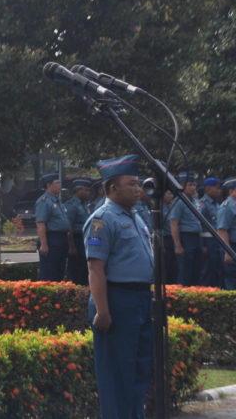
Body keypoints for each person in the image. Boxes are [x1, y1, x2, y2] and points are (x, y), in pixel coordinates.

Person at [84, 155, 153, 419]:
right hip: (117, 299)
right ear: (113, 188)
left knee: (138, 371)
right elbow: (95, 268)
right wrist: (103, 310)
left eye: (138, 184)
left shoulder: (135, 216)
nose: (138, 190)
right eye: (132, 184)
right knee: (117, 375)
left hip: (139, 299)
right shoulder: (102, 220)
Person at [170, 171, 204, 286]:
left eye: (194, 185)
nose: (193, 187)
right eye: (190, 185)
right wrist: (178, 245)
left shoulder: (195, 201)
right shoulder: (179, 202)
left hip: (196, 237)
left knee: (197, 270)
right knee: (185, 271)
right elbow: (174, 223)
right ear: (181, 185)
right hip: (186, 237)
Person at [35, 171, 70, 281]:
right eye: (57, 183)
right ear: (49, 185)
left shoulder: (57, 200)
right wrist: (44, 244)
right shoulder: (44, 201)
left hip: (61, 239)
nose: (60, 186)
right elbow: (41, 224)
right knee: (49, 273)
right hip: (51, 239)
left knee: (59, 272)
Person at [65, 176, 91, 285]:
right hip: (77, 240)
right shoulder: (72, 205)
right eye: (86, 190)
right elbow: (68, 227)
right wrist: (71, 246)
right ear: (78, 190)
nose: (88, 193)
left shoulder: (84, 204)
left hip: (85, 239)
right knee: (76, 270)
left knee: (85, 269)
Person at [199, 177, 223, 287]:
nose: (219, 191)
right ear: (208, 189)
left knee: (217, 272)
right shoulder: (202, 205)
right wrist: (202, 245)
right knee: (208, 273)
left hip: (217, 242)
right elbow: (199, 226)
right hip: (208, 243)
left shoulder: (217, 205)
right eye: (217, 188)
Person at [217, 177, 236, 290]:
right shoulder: (227, 206)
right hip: (231, 246)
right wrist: (227, 252)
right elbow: (222, 230)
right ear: (231, 191)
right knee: (231, 278)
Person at [162, 190, 178, 284]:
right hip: (165, 238)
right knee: (166, 266)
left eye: (171, 193)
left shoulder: (173, 206)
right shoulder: (159, 207)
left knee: (174, 266)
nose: (170, 196)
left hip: (173, 238)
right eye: (168, 193)